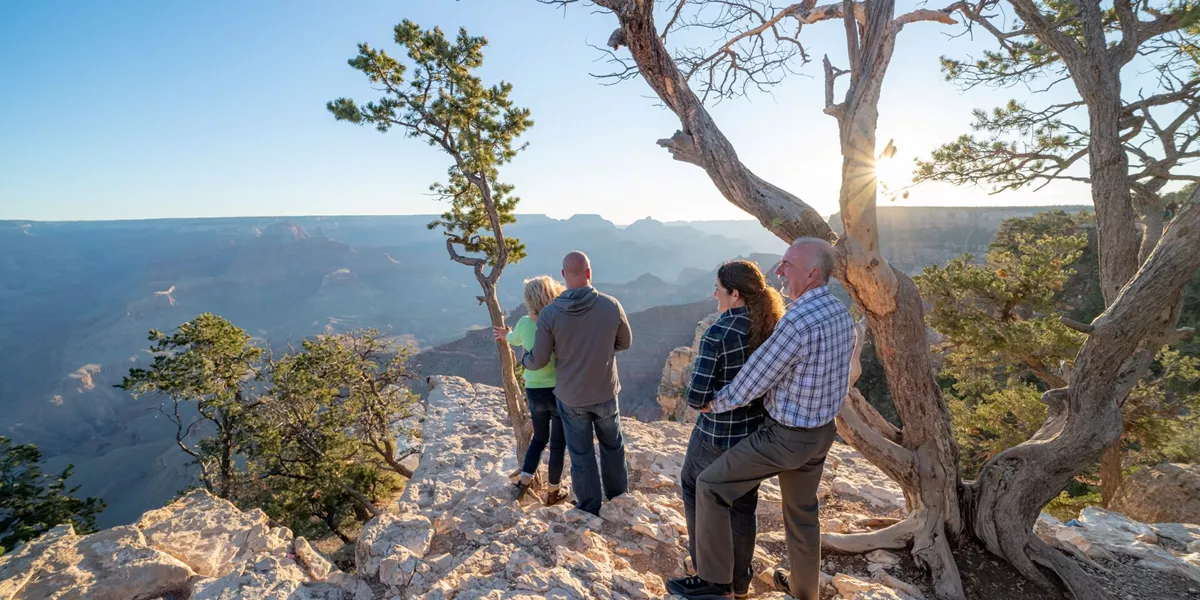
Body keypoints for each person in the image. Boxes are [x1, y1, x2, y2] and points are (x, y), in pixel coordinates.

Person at [668, 238, 858, 600]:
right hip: (821, 435)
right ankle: (805, 591)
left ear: (813, 272)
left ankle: (712, 582)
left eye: (787, 264)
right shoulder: (839, 313)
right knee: (802, 514)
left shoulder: (797, 321)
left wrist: (713, 404)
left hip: (784, 438)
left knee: (710, 486)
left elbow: (753, 381)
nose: (779, 271)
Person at [680, 260, 785, 600]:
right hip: (753, 435)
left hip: (715, 434)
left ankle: (707, 572)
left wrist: (690, 390)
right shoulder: (771, 328)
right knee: (742, 506)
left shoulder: (719, 332)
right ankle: (740, 584)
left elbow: (697, 397)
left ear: (735, 294)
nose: (714, 294)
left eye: (719, 289)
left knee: (695, 489)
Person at [521, 251, 633, 516]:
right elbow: (625, 343)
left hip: (571, 398)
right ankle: (618, 498)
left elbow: (538, 360)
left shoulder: (549, 314)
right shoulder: (611, 305)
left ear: (563, 276)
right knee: (612, 445)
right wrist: (600, 350)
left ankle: (588, 507)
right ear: (589, 273)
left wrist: (524, 360)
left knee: (581, 453)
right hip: (605, 391)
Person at [494, 275, 569, 507]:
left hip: (534, 390)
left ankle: (524, 483)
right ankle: (553, 492)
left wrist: (503, 334)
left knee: (539, 438)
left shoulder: (525, 323)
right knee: (557, 444)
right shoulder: (560, 321)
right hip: (559, 390)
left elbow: (514, 340)